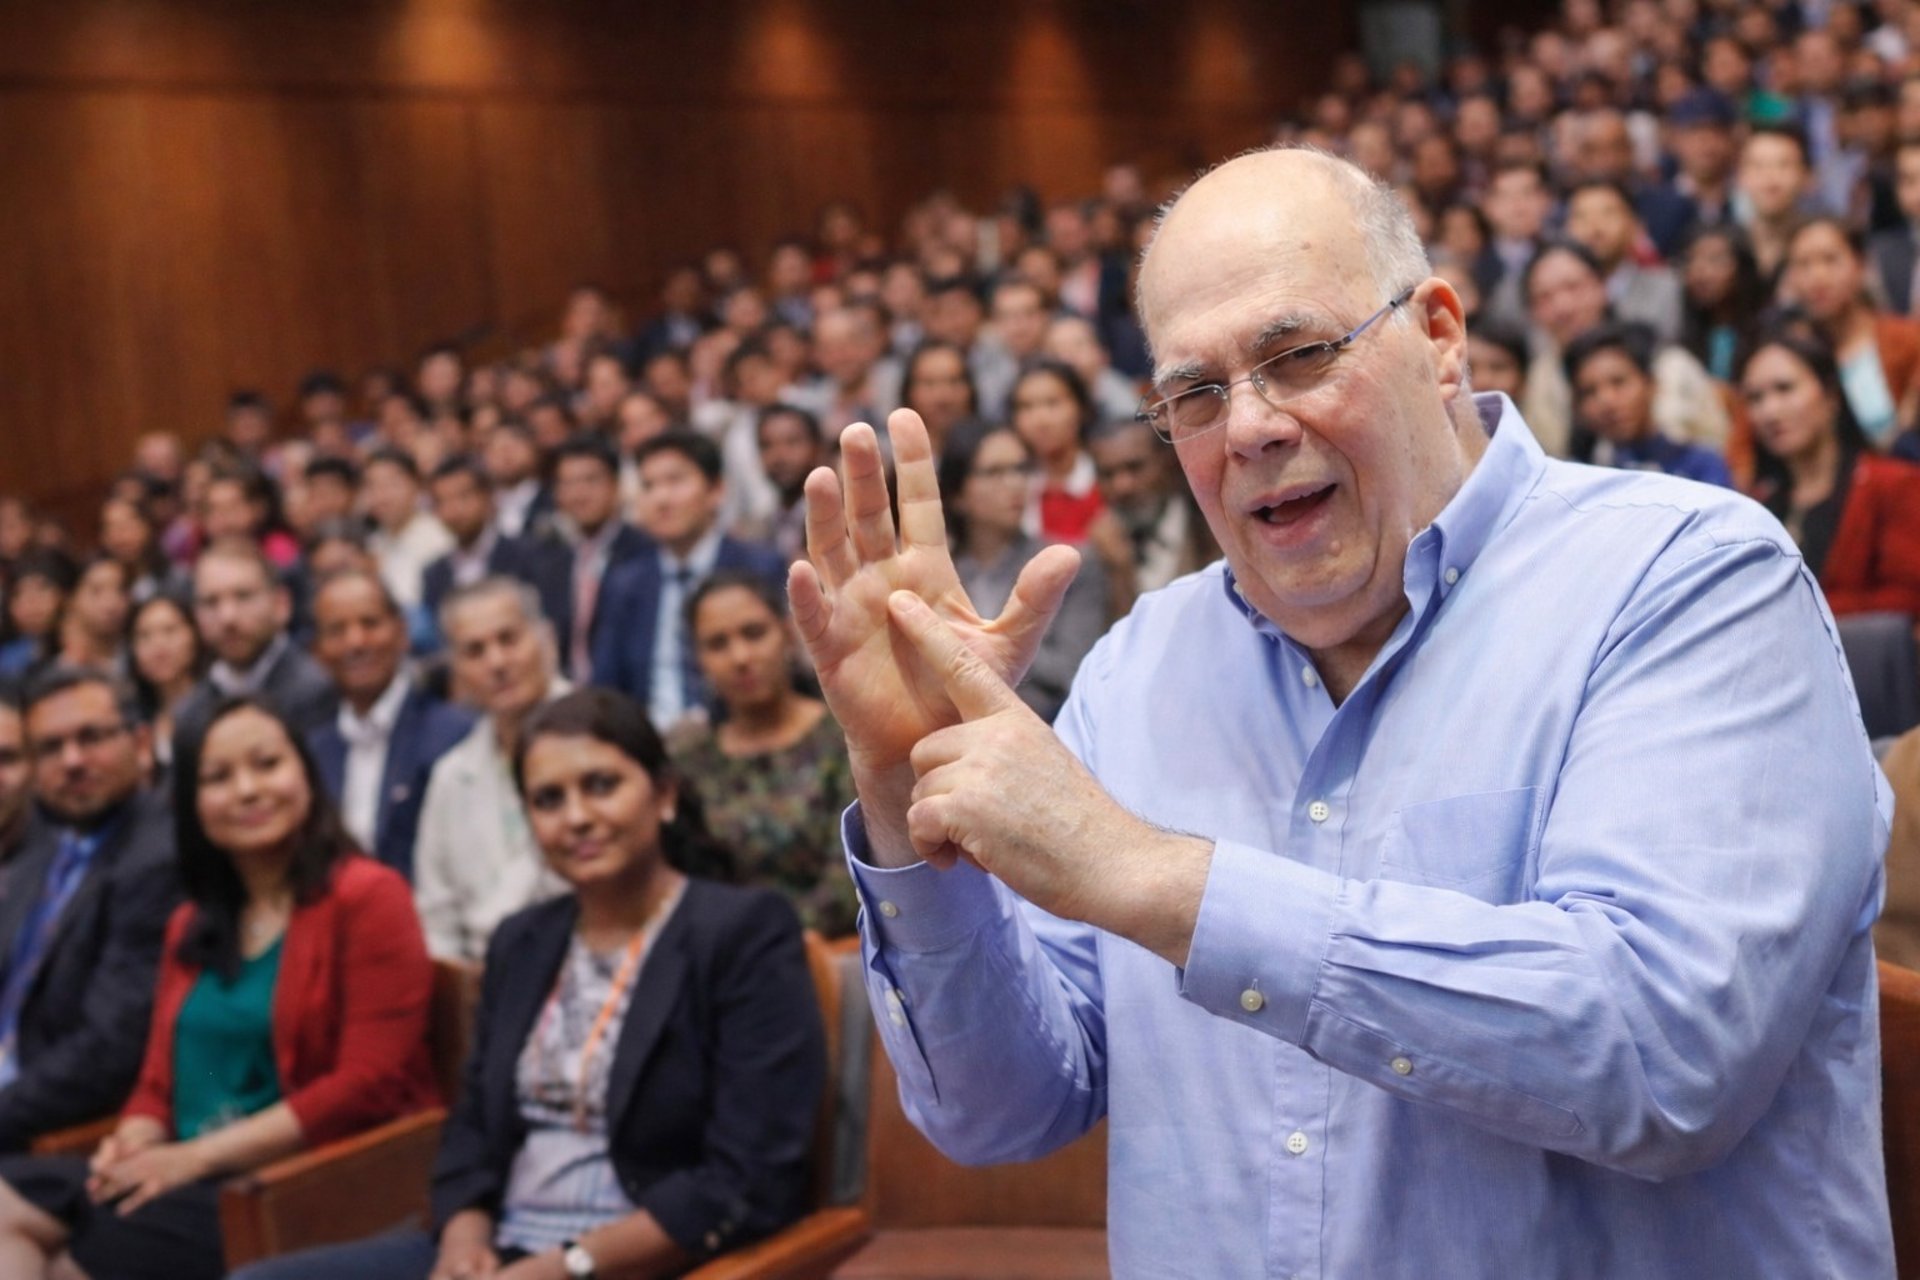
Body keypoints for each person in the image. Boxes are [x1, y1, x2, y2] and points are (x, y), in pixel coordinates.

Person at [790, 147, 1894, 1275]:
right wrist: (907, 784)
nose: (1252, 426)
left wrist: (1163, 880)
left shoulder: (1690, 579)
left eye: (1298, 354)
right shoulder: (1137, 672)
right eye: (1196, 394)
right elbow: (1000, 1112)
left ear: (1442, 336)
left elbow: (1668, 1057)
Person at [226, 687, 826, 1280]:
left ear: (664, 795)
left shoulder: (742, 932)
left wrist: (569, 1266)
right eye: (547, 799)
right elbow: (474, 1128)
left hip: (636, 1260)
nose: (577, 818)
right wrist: (462, 1240)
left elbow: (748, 1177)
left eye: (601, 786)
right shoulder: (522, 942)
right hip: (500, 1249)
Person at [0, 693, 437, 1280]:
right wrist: (132, 1139)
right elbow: (159, 1079)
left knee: (80, 1252)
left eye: (267, 764)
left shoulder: (368, 897)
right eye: (218, 777)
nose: (249, 790)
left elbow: (367, 1086)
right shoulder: (196, 919)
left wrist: (191, 1158)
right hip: (186, 1167)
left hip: (299, 1180)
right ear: (191, 803)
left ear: (306, 773)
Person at [0, 668, 177, 1152]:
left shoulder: (158, 857)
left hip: (67, 1133)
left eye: (91, 738)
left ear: (141, 745)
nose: (72, 761)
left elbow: (108, 1052)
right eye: (51, 748)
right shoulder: (46, 844)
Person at [670, 571, 858, 936]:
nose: (740, 657)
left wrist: (762, 943)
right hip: (725, 960)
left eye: (754, 634)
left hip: (839, 953)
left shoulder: (845, 740)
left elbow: (851, 879)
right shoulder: (690, 763)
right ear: (699, 659)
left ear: (788, 635)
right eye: (717, 644)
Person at [414, 577, 569, 963]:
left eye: (509, 640)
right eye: (475, 651)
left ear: (546, 639)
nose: (496, 663)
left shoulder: (609, 740)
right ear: (456, 670)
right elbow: (437, 919)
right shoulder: (451, 776)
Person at [591, 432, 784, 735]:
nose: (660, 499)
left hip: (741, 736)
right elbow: (607, 687)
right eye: (648, 486)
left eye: (675, 481)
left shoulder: (760, 567)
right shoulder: (624, 583)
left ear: (716, 490)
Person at [1741, 330, 1920, 619]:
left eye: (1785, 389)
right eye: (1755, 398)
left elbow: (1910, 597)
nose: (1769, 411)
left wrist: (1800, 615)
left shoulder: (1892, 484)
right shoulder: (1755, 507)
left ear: (1831, 395)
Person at [306, 571, 473, 880]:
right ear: (318, 651)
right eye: (337, 630)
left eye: (370, 623)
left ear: (402, 632)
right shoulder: (312, 752)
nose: (355, 642)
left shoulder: (454, 734)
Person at [938, 419, 1108, 722]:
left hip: (1041, 725)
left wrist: (994, 642)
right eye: (994, 472)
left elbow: (1075, 670)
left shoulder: (1066, 562)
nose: (1015, 483)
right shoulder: (939, 571)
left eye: (1020, 469)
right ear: (958, 495)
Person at [1779, 215, 1920, 445]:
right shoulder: (1790, 353)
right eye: (1803, 264)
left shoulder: (1907, 339)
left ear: (1860, 264)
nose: (1817, 278)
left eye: (1830, 260)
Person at [175, 539, 336, 739]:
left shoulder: (317, 691)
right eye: (211, 602)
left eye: (243, 596)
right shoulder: (190, 712)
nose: (227, 617)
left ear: (281, 605)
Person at [1566, 322, 1734, 486]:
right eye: (1589, 392)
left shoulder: (1700, 464)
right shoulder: (1587, 480)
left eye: (1619, 382)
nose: (1606, 401)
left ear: (1651, 384)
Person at [1009, 359, 1105, 543]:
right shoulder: (1013, 488)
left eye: (1052, 403)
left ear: (1081, 408)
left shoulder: (1110, 477)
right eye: (1026, 407)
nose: (1040, 420)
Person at [126, 592, 205, 772]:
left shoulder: (216, 704)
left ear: (194, 636)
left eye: (170, 630)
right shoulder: (133, 719)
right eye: (145, 636)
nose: (158, 646)